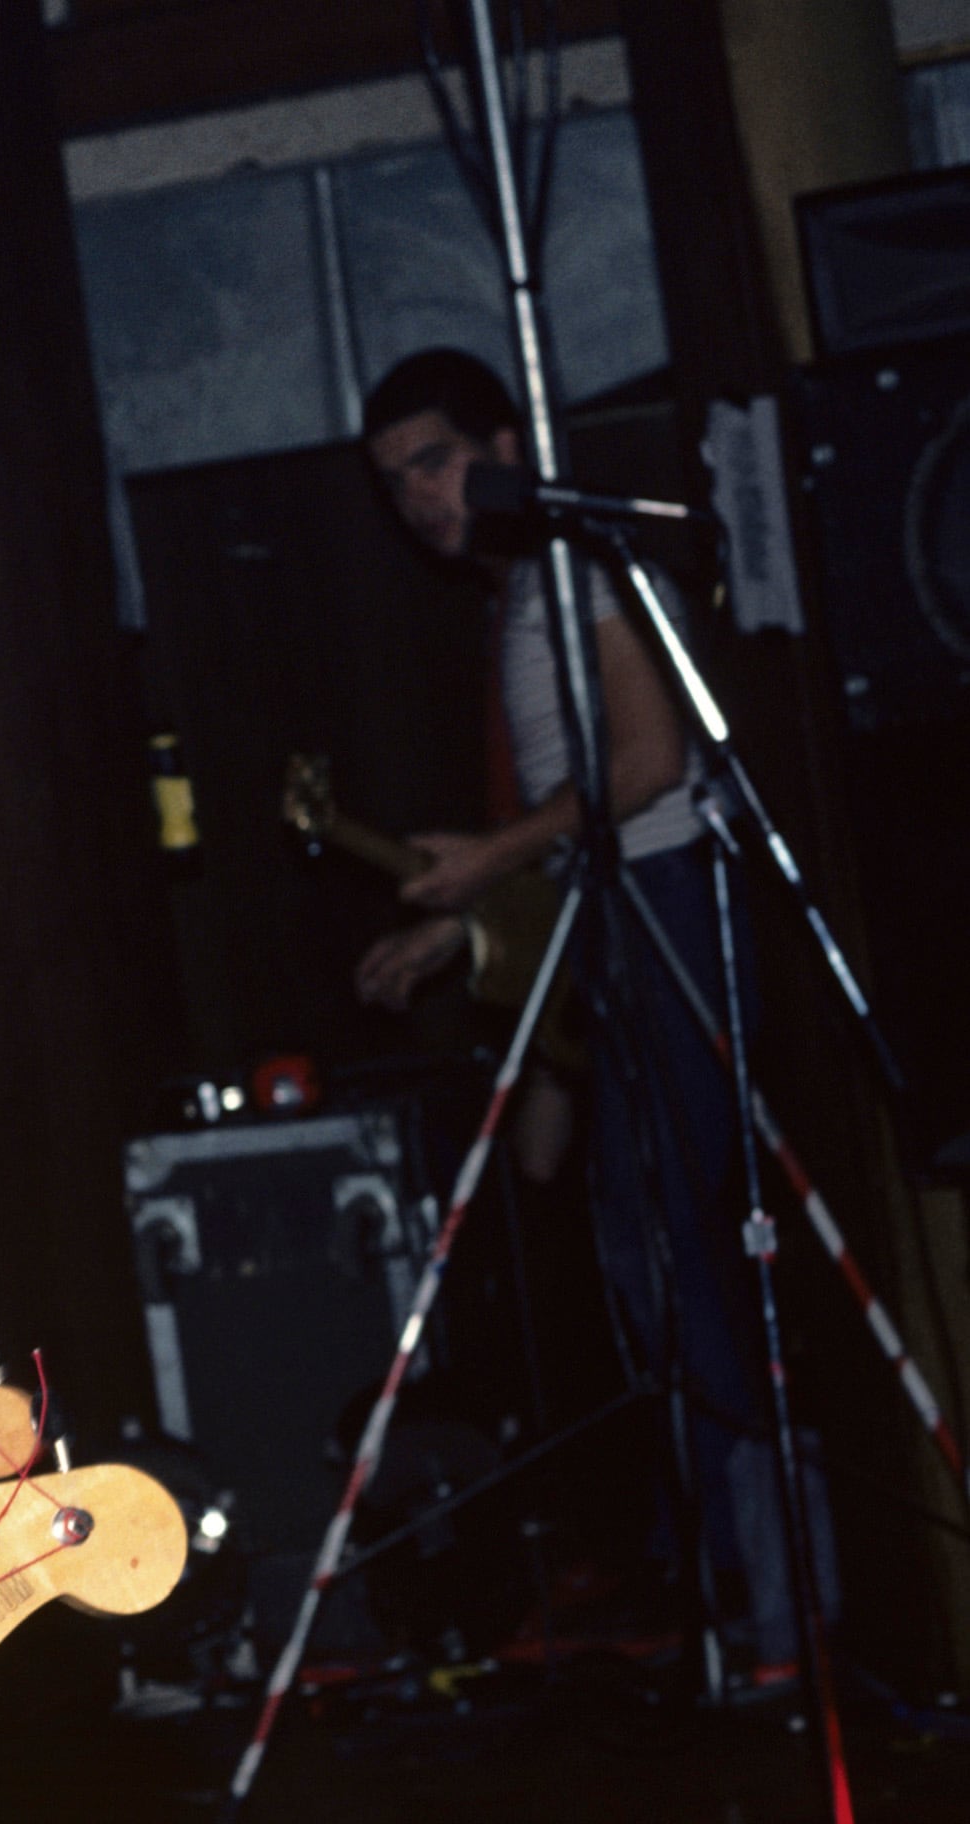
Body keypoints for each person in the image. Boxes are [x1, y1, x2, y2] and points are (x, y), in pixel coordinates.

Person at [353, 345, 826, 1681]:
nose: (422, 502)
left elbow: (648, 760)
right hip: (612, 913)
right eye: (397, 486)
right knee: (648, 1256)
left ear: (502, 442)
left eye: (436, 464)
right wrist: (461, 917)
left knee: (700, 1238)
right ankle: (733, 1591)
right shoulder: (515, 597)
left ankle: (789, 1610)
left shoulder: (573, 566)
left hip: (675, 906)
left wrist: (492, 859)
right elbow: (572, 825)